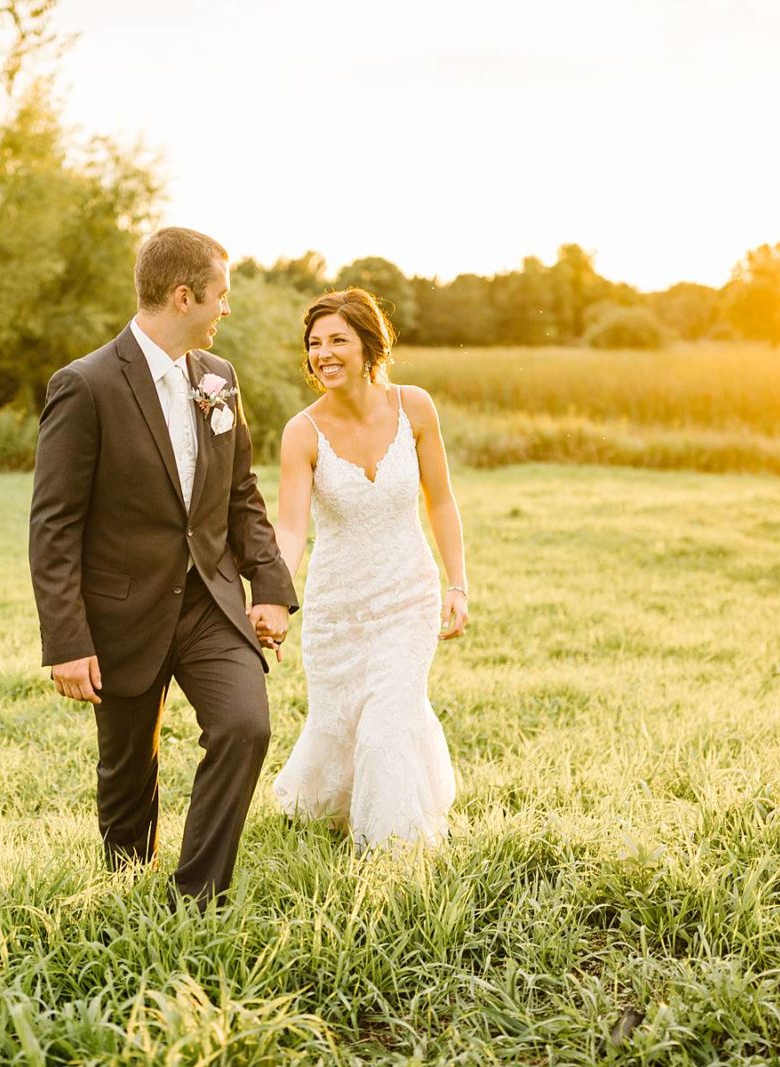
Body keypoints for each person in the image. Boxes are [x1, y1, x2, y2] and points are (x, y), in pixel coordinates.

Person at [28, 227, 297, 904]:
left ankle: (196, 897)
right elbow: (53, 524)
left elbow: (241, 493)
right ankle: (124, 889)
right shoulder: (85, 385)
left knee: (245, 725)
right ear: (183, 296)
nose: (225, 311)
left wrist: (268, 585)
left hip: (209, 599)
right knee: (127, 770)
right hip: (121, 610)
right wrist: (67, 639)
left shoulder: (219, 379)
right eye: (221, 296)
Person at [270, 288, 468, 848]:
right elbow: (290, 529)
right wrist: (276, 597)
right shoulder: (301, 433)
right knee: (342, 721)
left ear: (368, 345)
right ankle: (325, 804)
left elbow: (442, 501)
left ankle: (396, 851)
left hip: (408, 595)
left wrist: (458, 584)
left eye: (337, 340)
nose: (323, 353)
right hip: (338, 609)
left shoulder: (416, 407)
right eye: (314, 344)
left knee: (387, 724)